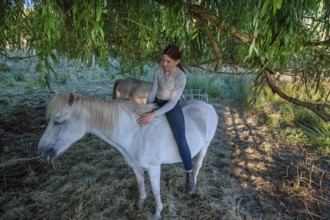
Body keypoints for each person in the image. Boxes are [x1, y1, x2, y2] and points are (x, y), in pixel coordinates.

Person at [137, 44, 196, 194]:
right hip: (157, 102)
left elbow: (172, 102)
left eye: (168, 61)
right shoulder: (158, 70)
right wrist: (147, 108)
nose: (164, 64)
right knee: (140, 123)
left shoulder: (181, 77)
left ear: (177, 61)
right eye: (163, 60)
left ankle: (189, 173)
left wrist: (154, 114)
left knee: (181, 139)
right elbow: (153, 91)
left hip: (172, 106)